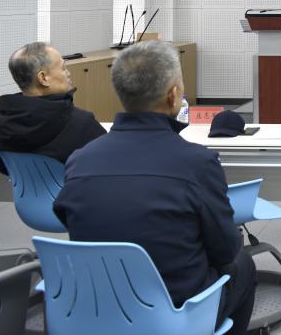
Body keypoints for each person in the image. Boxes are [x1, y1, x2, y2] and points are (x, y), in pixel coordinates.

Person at [52, 41, 256, 335]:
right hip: (174, 312)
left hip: (95, 303)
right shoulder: (198, 162)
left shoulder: (79, 159)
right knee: (243, 264)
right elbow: (224, 251)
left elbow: (68, 220)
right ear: (173, 95)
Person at [0, 42, 105, 175]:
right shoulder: (82, 124)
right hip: (73, 188)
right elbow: (106, 163)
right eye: (63, 68)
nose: (68, 73)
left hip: (23, 189)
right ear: (43, 78)